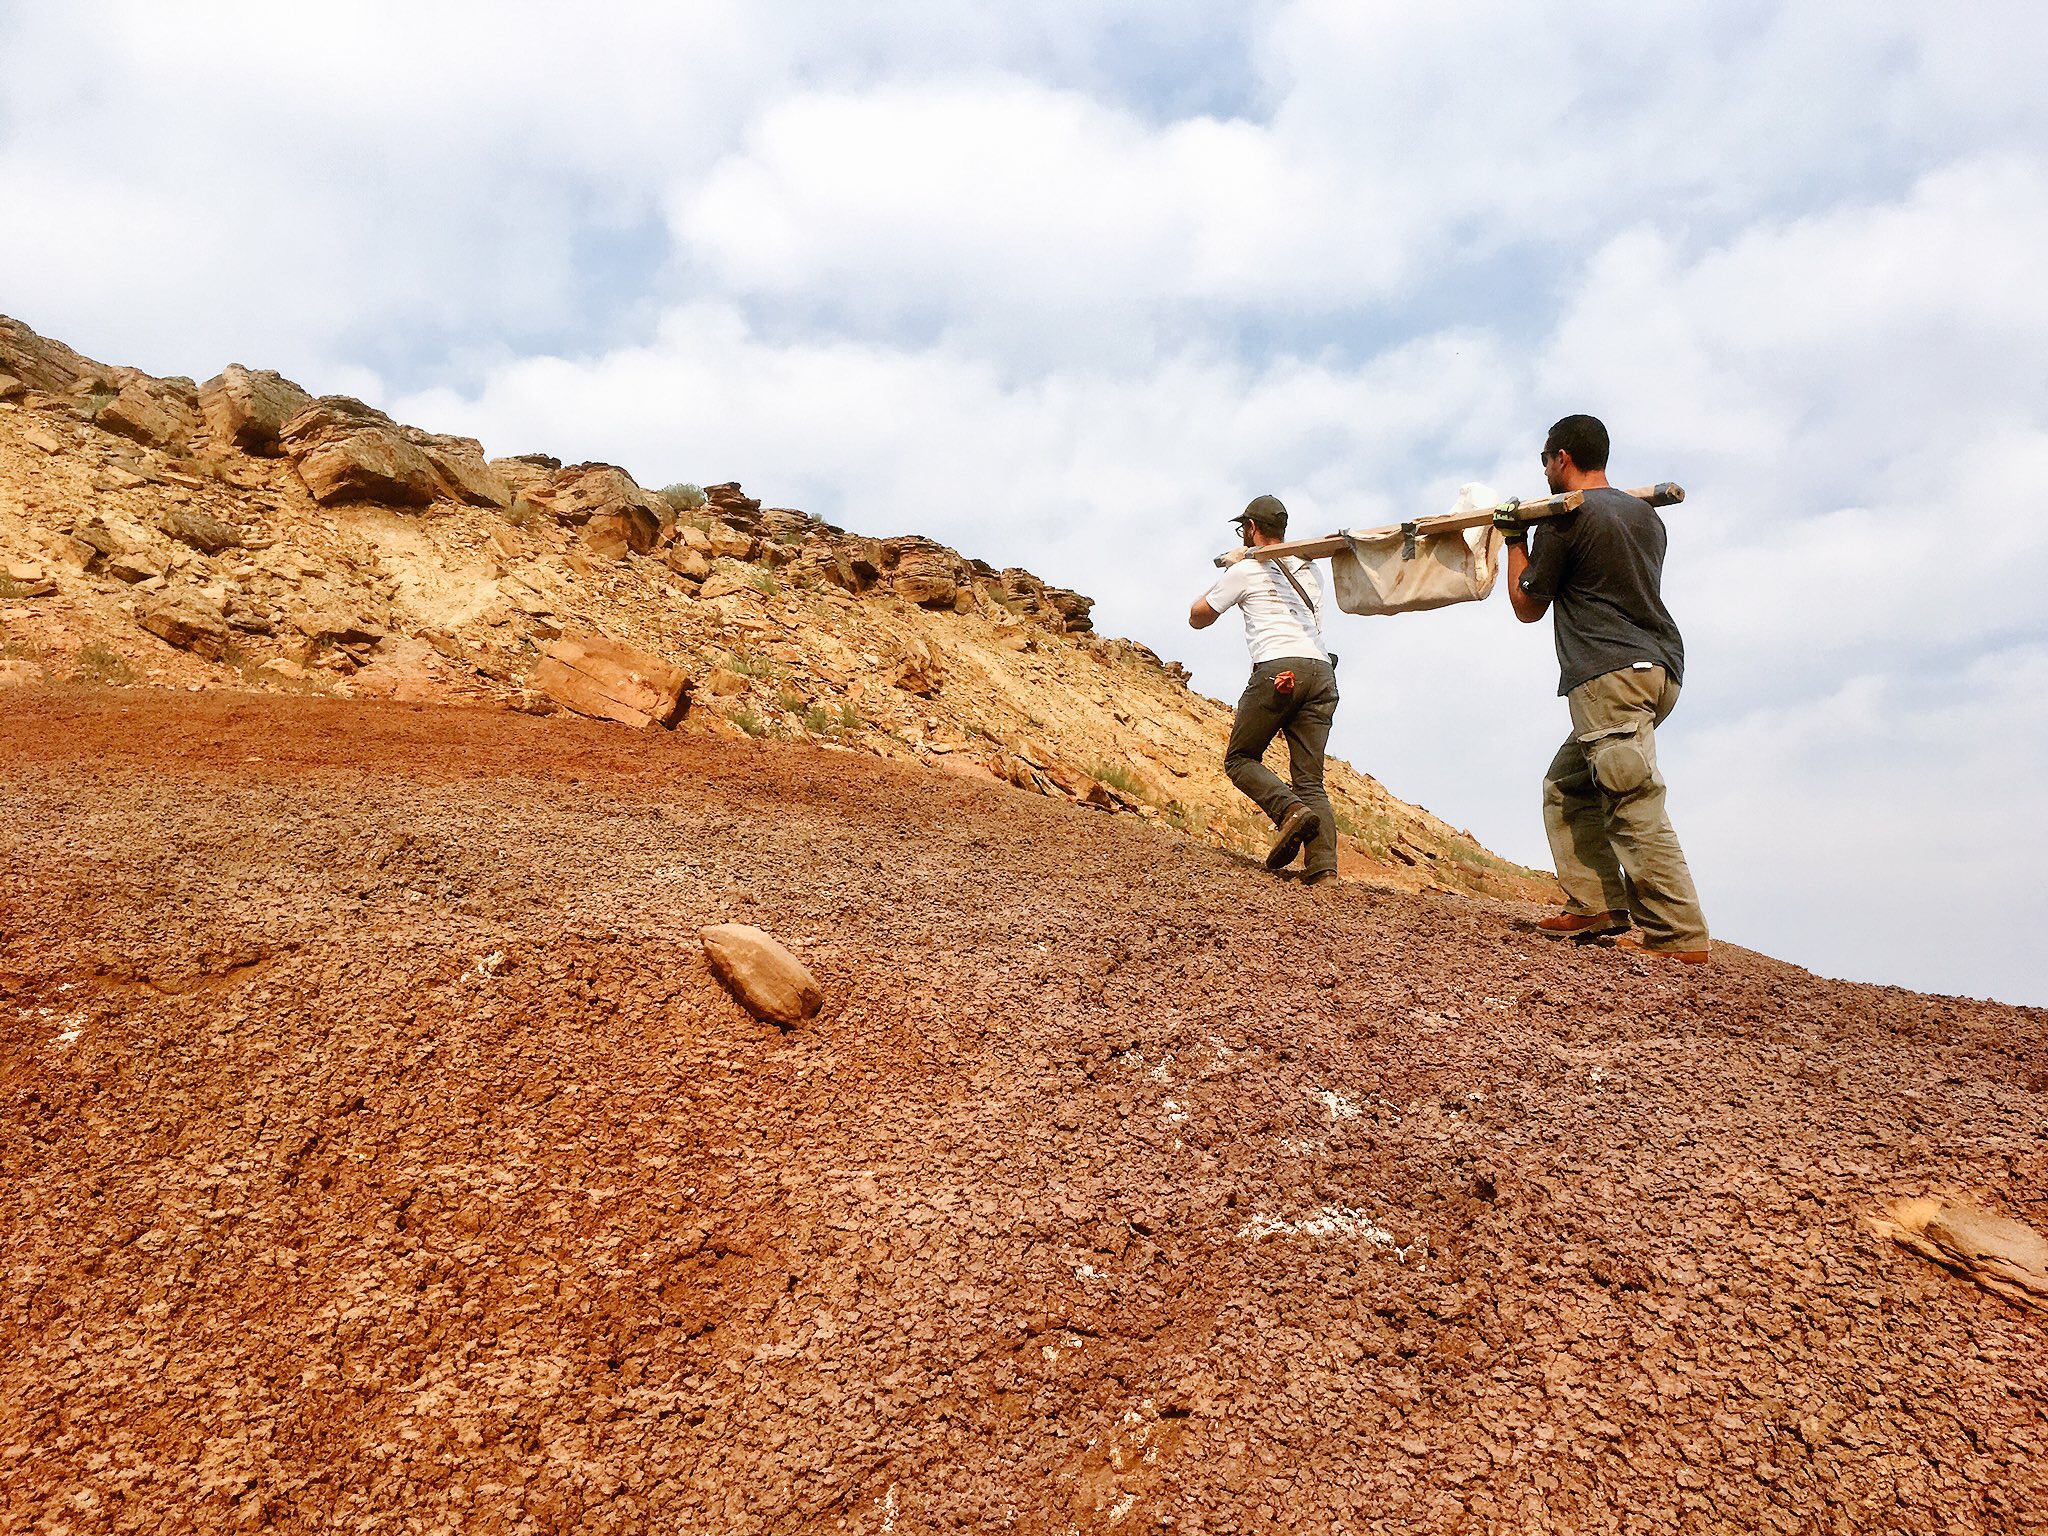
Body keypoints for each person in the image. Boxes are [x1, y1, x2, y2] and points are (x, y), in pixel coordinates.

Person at [1499, 414, 1710, 961]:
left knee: (1629, 795)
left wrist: (1515, 539)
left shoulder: (1565, 519)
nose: (1544, 471)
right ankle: (1596, 903)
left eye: (1544, 461)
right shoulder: (1645, 517)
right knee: (1568, 785)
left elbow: (1527, 606)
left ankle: (1677, 934)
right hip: (1658, 670)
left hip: (1606, 674)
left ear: (1561, 458)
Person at [1189, 494, 1340, 884]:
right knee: (1310, 779)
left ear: (1251, 529)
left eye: (1244, 530)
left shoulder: (1245, 572)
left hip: (1279, 669)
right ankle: (1323, 869)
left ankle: (1289, 811)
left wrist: (1233, 568)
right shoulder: (1309, 571)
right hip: (1322, 672)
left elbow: (1198, 617)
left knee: (1240, 758)